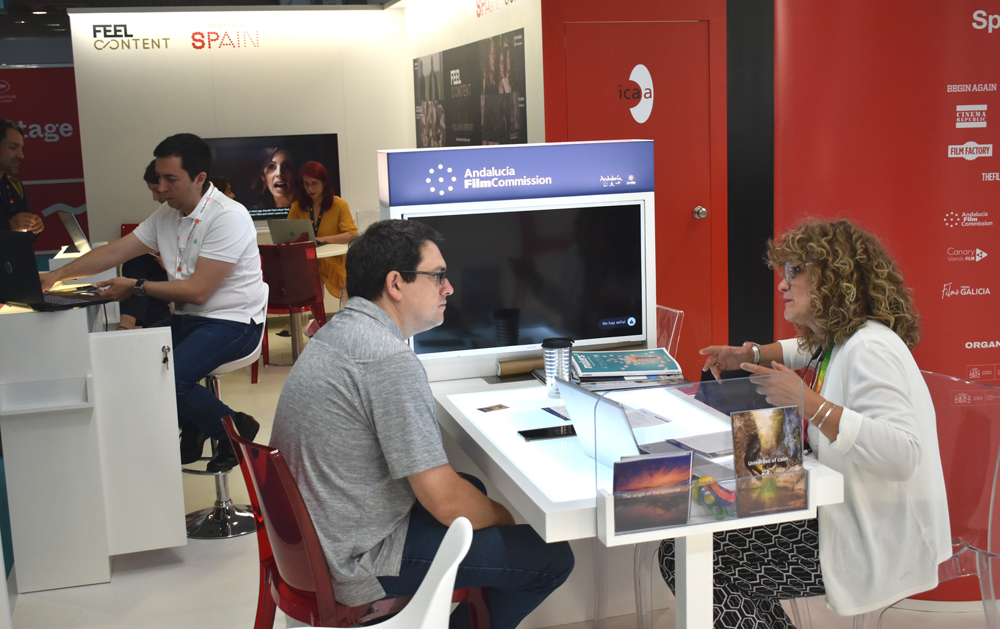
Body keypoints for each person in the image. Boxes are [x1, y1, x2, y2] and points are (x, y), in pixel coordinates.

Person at [269, 219, 574, 629]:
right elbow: (444, 502)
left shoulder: (341, 331)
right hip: (358, 559)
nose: (449, 288)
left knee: (475, 489)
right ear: (396, 284)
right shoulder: (386, 359)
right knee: (551, 557)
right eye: (438, 276)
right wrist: (506, 517)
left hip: (324, 539)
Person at [658, 219, 950, 626]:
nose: (782, 284)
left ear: (835, 281)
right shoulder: (840, 338)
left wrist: (810, 404)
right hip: (833, 507)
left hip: (871, 530)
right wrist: (749, 354)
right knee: (692, 549)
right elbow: (802, 348)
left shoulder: (871, 349)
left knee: (692, 556)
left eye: (796, 272)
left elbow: (904, 456)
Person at [41, 133, 267, 472]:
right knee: (129, 360)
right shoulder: (167, 215)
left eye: (170, 179)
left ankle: (235, 427)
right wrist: (57, 275)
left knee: (172, 378)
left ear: (199, 179)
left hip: (234, 323)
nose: (160, 187)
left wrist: (136, 287)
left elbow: (198, 292)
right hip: (191, 321)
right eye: (158, 177)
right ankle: (196, 421)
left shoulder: (227, 217)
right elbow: (117, 250)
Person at [286, 161, 357, 303]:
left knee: (346, 295)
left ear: (324, 183)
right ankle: (316, 322)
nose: (310, 188)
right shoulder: (297, 207)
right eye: (306, 184)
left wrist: (322, 239)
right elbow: (287, 234)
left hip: (334, 261)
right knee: (312, 298)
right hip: (307, 262)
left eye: (314, 183)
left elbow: (351, 235)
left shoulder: (339, 205)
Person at [118, 161, 171, 331]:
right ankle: (151, 330)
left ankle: (127, 325)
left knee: (137, 267)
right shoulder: (166, 213)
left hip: (190, 274)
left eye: (157, 191)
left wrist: (173, 257)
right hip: (166, 267)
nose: (155, 197)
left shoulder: (224, 217)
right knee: (137, 262)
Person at [0, 120, 44, 237]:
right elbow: (12, 226)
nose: (21, 155)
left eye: (21, 148)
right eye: (13, 147)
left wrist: (34, 227)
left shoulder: (15, 185)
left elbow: (27, 238)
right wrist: (9, 226)